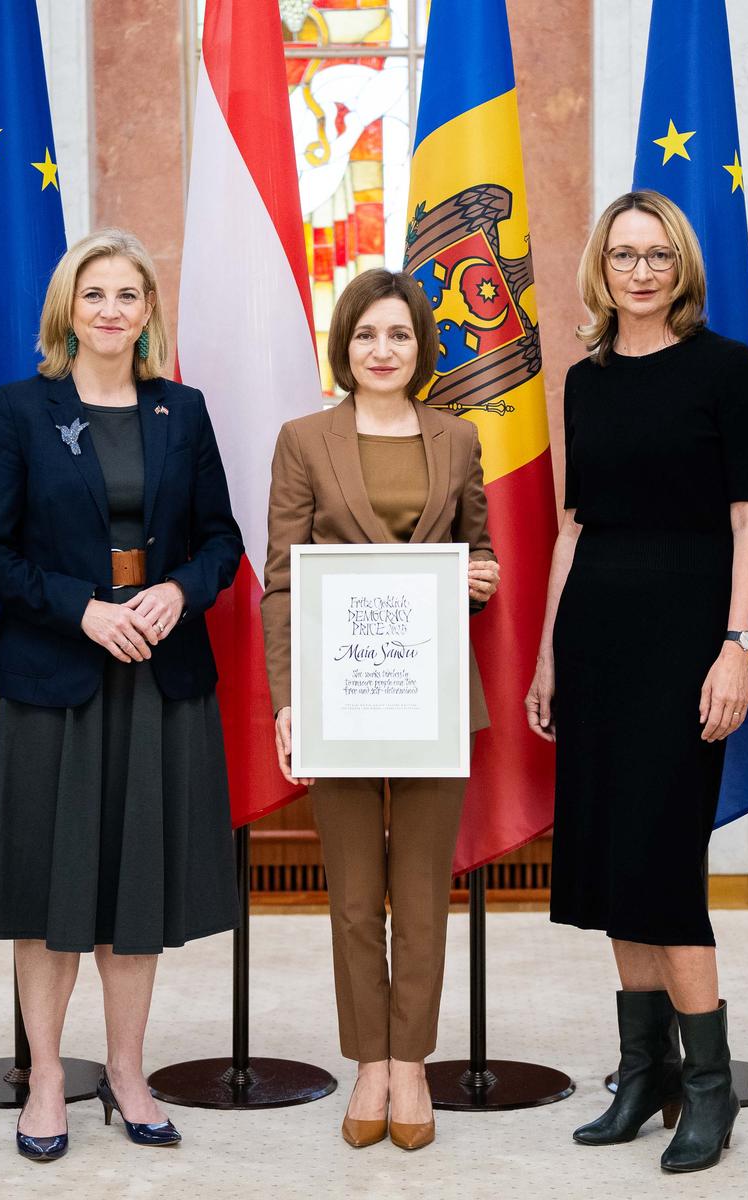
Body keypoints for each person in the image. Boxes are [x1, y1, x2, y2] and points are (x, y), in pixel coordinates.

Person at [0, 229, 243, 1161]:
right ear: (67, 311)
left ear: (148, 312)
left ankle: (128, 1071)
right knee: (50, 891)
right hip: (59, 681)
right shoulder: (19, 410)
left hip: (159, 681)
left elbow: (222, 543)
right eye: (95, 295)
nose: (112, 310)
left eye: (129, 295)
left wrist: (177, 591)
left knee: (136, 890)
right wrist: (82, 611)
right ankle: (47, 1076)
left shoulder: (184, 410)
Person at [526, 191, 748, 1175]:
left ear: (681, 266)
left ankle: (709, 1091)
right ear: (603, 266)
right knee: (612, 863)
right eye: (624, 254)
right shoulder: (584, 382)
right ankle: (643, 1076)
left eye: (657, 253)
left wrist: (737, 646)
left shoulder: (725, 370)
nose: (640, 270)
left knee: (665, 869)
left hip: (688, 641)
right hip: (596, 639)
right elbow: (572, 527)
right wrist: (548, 653)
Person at [262, 268, 499, 1153]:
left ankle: (413, 1062)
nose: (383, 350)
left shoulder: (458, 438)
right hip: (337, 695)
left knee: (423, 893)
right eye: (366, 335)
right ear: (345, 347)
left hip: (432, 692)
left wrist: (482, 581)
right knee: (357, 895)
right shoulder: (303, 440)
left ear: (419, 346)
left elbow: (478, 554)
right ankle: (369, 1060)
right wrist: (290, 703)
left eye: (398, 335)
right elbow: (281, 582)